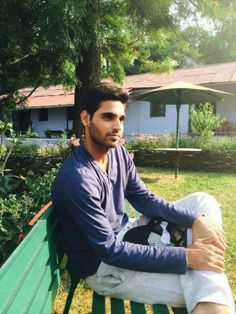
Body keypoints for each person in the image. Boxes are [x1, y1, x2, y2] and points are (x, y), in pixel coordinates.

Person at [51, 83, 235, 314]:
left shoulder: (117, 152)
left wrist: (195, 221)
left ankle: (202, 261)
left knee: (202, 202)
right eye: (108, 117)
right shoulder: (77, 178)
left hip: (129, 232)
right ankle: (206, 281)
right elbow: (111, 251)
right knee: (207, 287)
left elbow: (143, 199)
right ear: (86, 118)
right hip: (107, 268)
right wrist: (187, 258)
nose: (117, 127)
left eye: (121, 118)